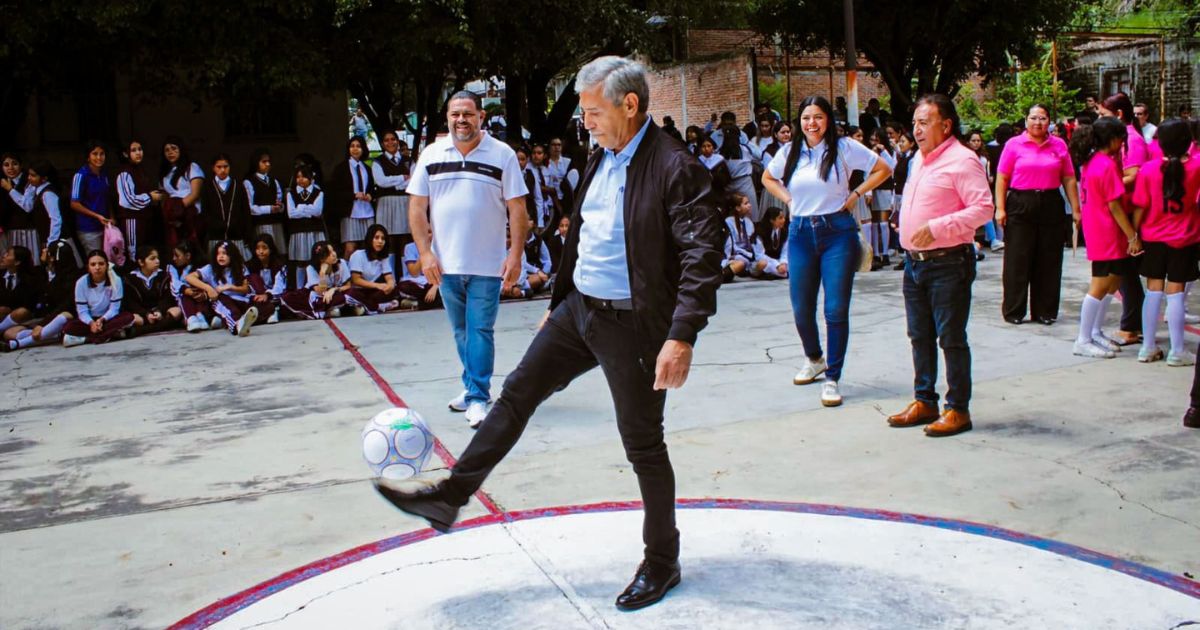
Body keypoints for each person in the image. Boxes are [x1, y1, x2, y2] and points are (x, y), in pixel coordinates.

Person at [374, 55, 723, 612]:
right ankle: (450, 496)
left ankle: (662, 561)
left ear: (630, 106)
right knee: (514, 396)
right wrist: (561, 305)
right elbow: (586, 232)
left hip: (634, 325)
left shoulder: (674, 165)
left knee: (642, 445)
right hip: (579, 309)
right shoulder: (601, 154)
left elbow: (703, 255)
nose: (585, 121)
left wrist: (680, 335)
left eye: (592, 111)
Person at [404, 90, 529, 428]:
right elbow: (416, 207)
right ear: (447, 118)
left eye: (468, 114)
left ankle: (478, 397)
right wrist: (425, 253)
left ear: (481, 118)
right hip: (445, 265)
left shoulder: (502, 155)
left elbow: (518, 209)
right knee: (461, 331)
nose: (462, 120)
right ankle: (472, 385)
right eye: (455, 114)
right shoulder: (431, 154)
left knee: (480, 330)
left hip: (488, 264)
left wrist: (515, 255)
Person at [761, 95, 893, 407]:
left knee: (835, 309)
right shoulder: (791, 150)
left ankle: (832, 376)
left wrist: (856, 194)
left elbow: (883, 169)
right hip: (801, 232)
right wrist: (788, 199)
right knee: (801, 307)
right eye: (806, 118)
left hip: (837, 233)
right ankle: (814, 358)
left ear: (828, 120)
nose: (812, 123)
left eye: (818, 117)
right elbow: (768, 177)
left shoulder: (844, 147)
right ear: (799, 121)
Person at [885, 94, 994, 438]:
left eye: (924, 122)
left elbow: (983, 209)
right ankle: (924, 400)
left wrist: (936, 227)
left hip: (948, 262)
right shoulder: (918, 158)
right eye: (914, 123)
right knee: (919, 336)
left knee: (950, 338)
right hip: (914, 264)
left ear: (945, 126)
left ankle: (958, 408)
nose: (916, 130)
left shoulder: (964, 160)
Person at [995, 104, 1081, 325]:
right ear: (1026, 121)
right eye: (1033, 118)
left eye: (1042, 118)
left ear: (1049, 122)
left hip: (1050, 203)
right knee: (1017, 259)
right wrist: (1000, 207)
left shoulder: (1059, 145)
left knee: (1049, 259)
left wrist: (1076, 209)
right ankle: (1014, 310)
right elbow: (1002, 178)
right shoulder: (1014, 145)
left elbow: (1069, 178)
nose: (1038, 122)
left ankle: (1045, 311)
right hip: (1020, 203)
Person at [1132, 119, 1199, 366]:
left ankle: (1148, 347)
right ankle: (1177, 350)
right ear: (1188, 142)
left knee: (1153, 290)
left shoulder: (1148, 170)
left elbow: (1140, 206)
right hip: (1185, 236)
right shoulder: (1197, 166)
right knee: (1176, 293)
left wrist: (1134, 235)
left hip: (1153, 236)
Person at [1071, 117, 1138, 359]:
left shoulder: (1093, 161)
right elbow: (1115, 206)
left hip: (1102, 228)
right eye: (1121, 139)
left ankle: (1095, 331)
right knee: (1099, 285)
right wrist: (1132, 235)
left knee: (1112, 282)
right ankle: (1083, 338)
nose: (1122, 144)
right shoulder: (1105, 164)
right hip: (1105, 230)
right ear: (1112, 139)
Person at [1098, 94, 1150, 346]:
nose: (1100, 120)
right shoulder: (1124, 138)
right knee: (1122, 271)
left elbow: (1135, 175)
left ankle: (1131, 326)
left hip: (1129, 209)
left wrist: (1108, 185)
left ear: (1118, 115)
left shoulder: (1132, 140)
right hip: (1121, 207)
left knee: (1126, 271)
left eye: (1103, 115)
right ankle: (1133, 324)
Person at [5, 240, 77, 350]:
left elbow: (63, 307)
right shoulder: (42, 272)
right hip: (45, 318)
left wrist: (42, 325)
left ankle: (19, 343)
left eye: (47, 250)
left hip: (59, 318)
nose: (43, 251)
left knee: (64, 316)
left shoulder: (71, 279)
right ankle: (51, 334)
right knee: (9, 333)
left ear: (52, 257)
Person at [62, 250, 135, 346]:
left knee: (128, 317)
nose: (97, 267)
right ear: (88, 267)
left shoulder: (115, 280)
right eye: (93, 264)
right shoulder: (81, 283)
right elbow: (82, 311)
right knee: (68, 327)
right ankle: (110, 334)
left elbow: (114, 309)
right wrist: (92, 323)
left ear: (107, 266)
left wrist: (102, 320)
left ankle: (88, 339)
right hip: (89, 320)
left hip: (107, 319)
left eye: (101, 264)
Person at [186, 241, 259, 336]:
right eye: (218, 254)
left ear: (232, 256)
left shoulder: (241, 267)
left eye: (224, 253)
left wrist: (230, 287)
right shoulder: (210, 268)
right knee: (225, 303)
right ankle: (237, 324)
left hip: (240, 300)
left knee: (263, 305)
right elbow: (189, 277)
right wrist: (209, 289)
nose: (220, 256)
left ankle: (226, 321)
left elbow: (246, 289)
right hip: (222, 300)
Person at [3, 161, 63, 266]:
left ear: (44, 178)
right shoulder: (35, 188)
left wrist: (51, 244)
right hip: (46, 238)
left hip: (56, 240)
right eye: (29, 174)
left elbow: (56, 220)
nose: (29, 178)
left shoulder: (48, 194)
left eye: (33, 175)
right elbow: (27, 205)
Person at [371, 130, 412, 270]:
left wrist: (393, 183)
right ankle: (391, 277)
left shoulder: (408, 160)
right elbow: (380, 181)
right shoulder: (378, 161)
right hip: (386, 203)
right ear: (382, 144)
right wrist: (401, 179)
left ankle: (407, 278)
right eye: (387, 140)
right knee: (389, 240)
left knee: (405, 239)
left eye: (393, 139)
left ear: (397, 141)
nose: (390, 142)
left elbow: (414, 180)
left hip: (405, 203)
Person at [280, 241, 351, 320]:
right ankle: (326, 310)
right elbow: (320, 292)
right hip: (317, 293)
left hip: (335, 291)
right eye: (329, 254)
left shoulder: (341, 263)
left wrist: (333, 289)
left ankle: (330, 309)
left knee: (347, 294)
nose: (334, 255)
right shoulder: (311, 268)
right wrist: (322, 273)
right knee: (289, 297)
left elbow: (348, 285)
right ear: (321, 259)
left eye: (333, 250)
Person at [330, 136, 375, 259]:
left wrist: (370, 195)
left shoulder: (367, 168)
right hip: (350, 211)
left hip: (367, 210)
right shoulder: (341, 168)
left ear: (363, 149)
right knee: (350, 248)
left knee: (369, 246)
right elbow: (335, 192)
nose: (355, 149)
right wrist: (354, 195)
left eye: (358, 146)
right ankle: (347, 275)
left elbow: (372, 187)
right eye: (352, 146)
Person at [201, 153, 252, 258]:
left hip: (236, 236)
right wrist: (215, 226)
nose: (222, 170)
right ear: (213, 168)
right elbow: (205, 212)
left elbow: (245, 211)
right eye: (219, 167)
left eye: (225, 166)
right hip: (215, 237)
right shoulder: (208, 186)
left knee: (238, 266)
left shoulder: (238, 185)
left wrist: (245, 232)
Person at [123, 245, 182, 335]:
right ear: (141, 262)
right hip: (143, 315)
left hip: (160, 313)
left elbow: (167, 298)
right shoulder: (130, 279)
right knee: (133, 318)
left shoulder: (164, 275)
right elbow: (131, 303)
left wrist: (159, 311)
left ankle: (144, 330)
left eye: (157, 258)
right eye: (152, 259)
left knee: (177, 311)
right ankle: (162, 326)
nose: (157, 261)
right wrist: (146, 314)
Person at [159, 137, 204, 251]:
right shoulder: (165, 172)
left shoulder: (192, 167)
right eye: (167, 150)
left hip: (189, 214)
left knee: (190, 248)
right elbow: (164, 196)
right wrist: (169, 213)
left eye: (174, 148)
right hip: (172, 218)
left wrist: (177, 209)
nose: (170, 152)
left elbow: (195, 194)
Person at [286, 165, 327, 289]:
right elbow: (291, 213)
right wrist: (309, 208)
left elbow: (318, 211)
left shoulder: (318, 192)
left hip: (314, 231)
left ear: (310, 177)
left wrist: (301, 208)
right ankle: (300, 289)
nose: (300, 179)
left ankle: (315, 287)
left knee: (315, 261)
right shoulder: (291, 194)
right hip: (298, 232)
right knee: (301, 262)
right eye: (298, 177)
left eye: (304, 176)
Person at [346, 224, 401, 314]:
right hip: (361, 289)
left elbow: (389, 277)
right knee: (350, 294)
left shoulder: (383, 257)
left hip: (375, 292)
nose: (380, 241)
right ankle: (378, 306)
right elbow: (356, 280)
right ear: (370, 239)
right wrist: (377, 285)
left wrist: (390, 285)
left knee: (394, 290)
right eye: (376, 238)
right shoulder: (358, 255)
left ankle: (366, 306)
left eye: (383, 239)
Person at [71, 141, 113, 254]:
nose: (99, 157)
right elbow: (74, 203)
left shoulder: (104, 174)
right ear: (88, 157)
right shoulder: (81, 175)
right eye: (95, 154)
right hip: (88, 228)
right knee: (96, 260)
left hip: (105, 226)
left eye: (102, 153)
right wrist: (97, 216)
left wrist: (112, 217)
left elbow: (107, 198)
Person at [243, 149, 287, 254]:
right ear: (256, 163)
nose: (267, 164)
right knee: (263, 252)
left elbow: (280, 200)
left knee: (277, 253)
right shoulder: (249, 182)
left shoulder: (274, 181)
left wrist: (280, 207)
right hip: (260, 224)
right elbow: (249, 207)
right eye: (264, 161)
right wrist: (269, 209)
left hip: (276, 224)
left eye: (268, 161)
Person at [246, 235, 287, 324]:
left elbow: (279, 287)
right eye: (258, 248)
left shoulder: (279, 264)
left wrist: (267, 295)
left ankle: (273, 312)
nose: (261, 251)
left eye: (264, 248)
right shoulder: (250, 265)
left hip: (274, 295)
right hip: (258, 295)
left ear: (271, 249)